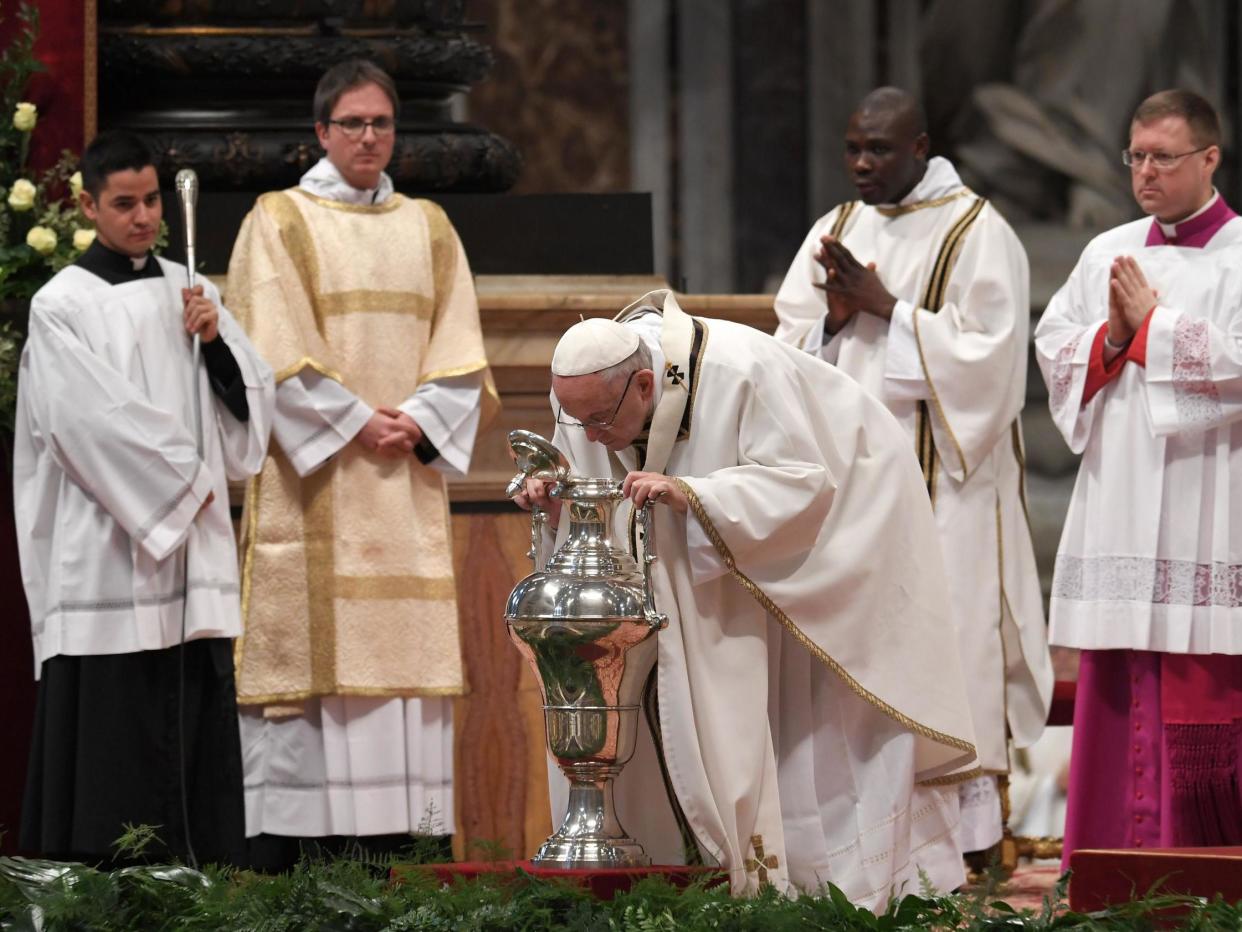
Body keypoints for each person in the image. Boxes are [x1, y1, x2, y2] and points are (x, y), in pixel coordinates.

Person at [516, 289, 978, 908]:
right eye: (579, 422)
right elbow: (584, 477)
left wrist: (695, 494)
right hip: (712, 561)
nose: (592, 436)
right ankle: (679, 878)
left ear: (646, 385)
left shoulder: (740, 372)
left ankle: (825, 895)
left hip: (840, 527)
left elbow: (801, 484)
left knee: (808, 717)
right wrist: (554, 499)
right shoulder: (588, 393)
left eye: (600, 422)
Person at [226, 59, 495, 865]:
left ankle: (404, 862)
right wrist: (351, 423)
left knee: (402, 678)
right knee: (319, 681)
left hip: (403, 483)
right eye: (353, 123)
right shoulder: (279, 220)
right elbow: (267, 345)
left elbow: (462, 347)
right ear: (321, 132)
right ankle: (302, 869)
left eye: (381, 123)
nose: (369, 137)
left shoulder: (430, 226)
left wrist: (413, 421)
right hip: (320, 486)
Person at [772, 86, 1052, 855]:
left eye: (880, 150)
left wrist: (886, 306)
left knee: (947, 642)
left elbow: (993, 367)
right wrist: (834, 318)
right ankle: (865, 830)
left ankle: (960, 842)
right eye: (854, 147)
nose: (862, 163)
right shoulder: (833, 229)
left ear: (920, 146)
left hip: (946, 490)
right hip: (855, 486)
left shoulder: (977, 232)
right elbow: (786, 350)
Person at [15, 129, 274, 865]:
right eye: (123, 203)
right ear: (89, 205)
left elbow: (248, 412)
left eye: (152, 200)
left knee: (191, 729)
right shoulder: (61, 304)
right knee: (113, 735)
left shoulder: (192, 290)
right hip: (107, 554)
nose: (142, 217)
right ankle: (103, 889)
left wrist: (217, 342)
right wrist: (186, 483)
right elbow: (82, 422)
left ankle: (200, 888)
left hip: (187, 561)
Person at [1035, 88, 1242, 859]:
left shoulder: (1240, 254)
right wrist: (1112, 337)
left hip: (1208, 499)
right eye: (1136, 157)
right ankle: (1103, 863)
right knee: (1119, 679)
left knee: (1202, 679)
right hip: (1121, 499)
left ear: (1210, 158)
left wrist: (1155, 326)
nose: (1146, 172)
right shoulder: (1107, 251)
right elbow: (1056, 346)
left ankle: (1205, 866)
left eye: (1164, 156)